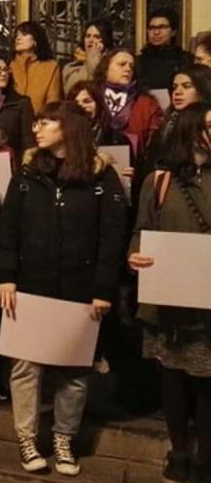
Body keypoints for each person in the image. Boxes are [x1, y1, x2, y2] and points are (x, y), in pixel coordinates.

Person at [0, 102, 127, 476]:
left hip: (79, 287)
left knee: (74, 370)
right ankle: (26, 438)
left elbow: (111, 237)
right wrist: (8, 276)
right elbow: (10, 227)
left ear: (68, 127)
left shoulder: (101, 177)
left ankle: (63, 438)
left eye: (47, 122)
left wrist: (103, 287)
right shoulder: (27, 173)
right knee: (25, 366)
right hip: (31, 284)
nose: (37, 128)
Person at [128, 102, 211, 482]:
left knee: (207, 379)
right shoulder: (159, 181)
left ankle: (206, 456)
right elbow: (141, 231)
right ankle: (178, 451)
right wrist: (135, 257)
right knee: (173, 376)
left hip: (207, 299)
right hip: (169, 298)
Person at [95, 48, 163, 167]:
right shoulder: (91, 97)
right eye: (122, 64)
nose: (127, 69)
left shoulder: (147, 104)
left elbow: (154, 147)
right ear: (105, 69)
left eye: (131, 67)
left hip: (137, 170)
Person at [136, 7, 194, 91]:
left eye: (161, 27)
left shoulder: (186, 59)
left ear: (173, 31)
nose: (156, 32)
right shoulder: (138, 62)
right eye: (152, 28)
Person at [10, 21, 61, 113]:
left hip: (37, 122)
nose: (18, 38)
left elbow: (53, 101)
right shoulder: (9, 65)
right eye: (17, 35)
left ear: (36, 40)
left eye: (24, 34)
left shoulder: (50, 66)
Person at [66, 80, 131, 147]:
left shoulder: (116, 140)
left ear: (99, 105)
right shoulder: (63, 139)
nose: (81, 106)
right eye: (75, 103)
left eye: (87, 101)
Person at [62, 19, 114, 96]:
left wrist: (94, 55)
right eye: (88, 36)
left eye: (97, 37)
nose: (90, 40)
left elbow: (99, 83)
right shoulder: (72, 67)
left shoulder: (111, 65)